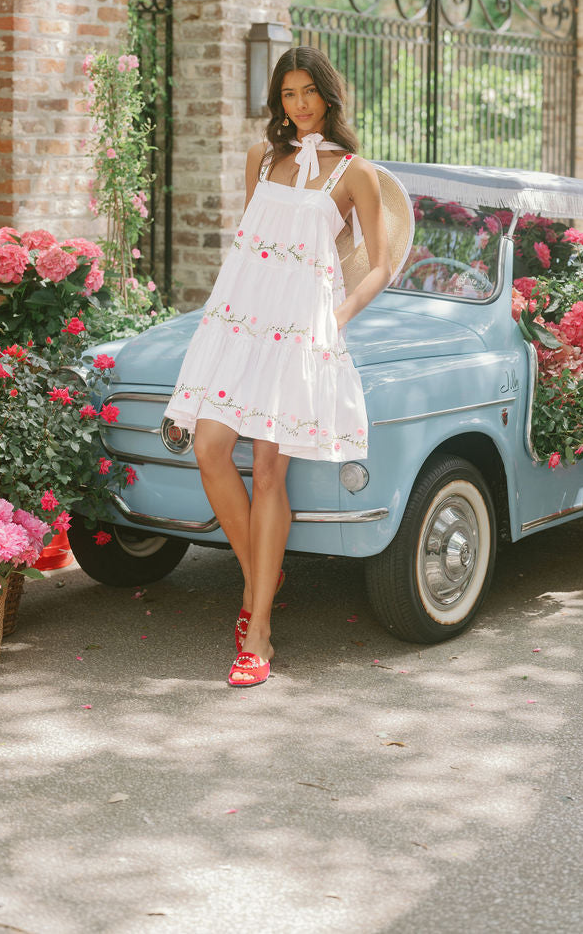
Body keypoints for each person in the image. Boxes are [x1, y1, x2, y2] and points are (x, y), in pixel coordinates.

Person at [162, 46, 392, 687]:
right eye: (288, 94)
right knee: (210, 448)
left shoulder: (354, 172)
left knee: (268, 471)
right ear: (278, 102)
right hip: (240, 322)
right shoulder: (260, 159)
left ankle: (256, 627)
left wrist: (335, 318)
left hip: (301, 330)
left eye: (308, 92)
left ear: (328, 94)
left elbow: (380, 264)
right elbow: (250, 247)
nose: (299, 105)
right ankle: (262, 571)